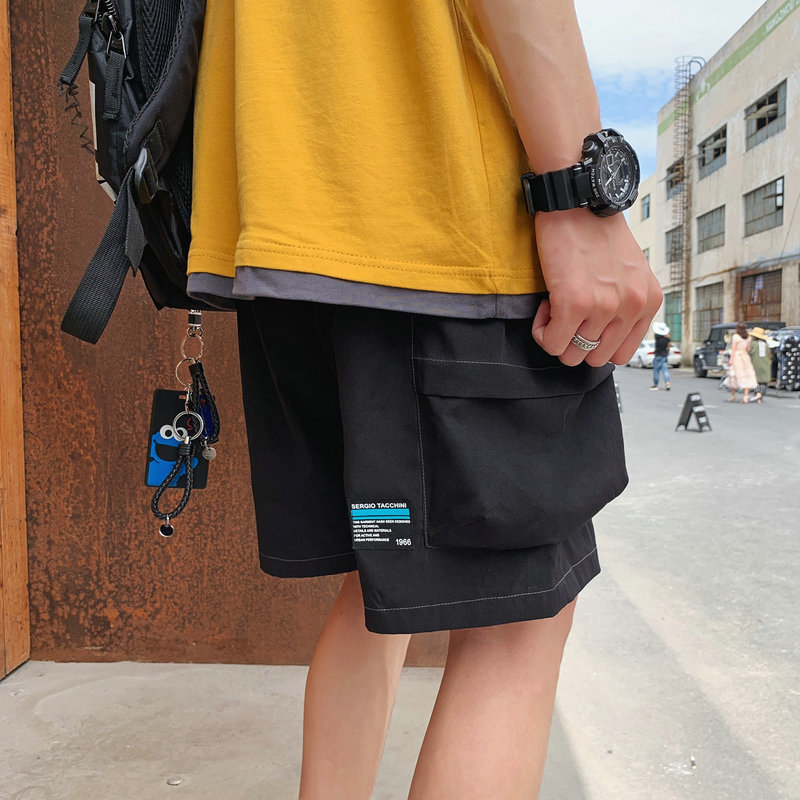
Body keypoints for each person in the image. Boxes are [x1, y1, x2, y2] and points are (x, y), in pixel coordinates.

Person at [186, 2, 662, 798]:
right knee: (519, 616)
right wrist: (578, 195)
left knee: (384, 570)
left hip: (279, 221)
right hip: (437, 224)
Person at [727, 323, 758, 404]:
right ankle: (745, 396)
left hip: (737, 357)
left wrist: (730, 359)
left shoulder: (735, 336)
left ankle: (733, 395)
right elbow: (748, 349)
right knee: (746, 375)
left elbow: (733, 348)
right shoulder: (748, 337)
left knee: (733, 375)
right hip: (745, 357)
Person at [748, 327, 772, 402]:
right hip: (765, 364)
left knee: (755, 380)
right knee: (763, 381)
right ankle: (760, 396)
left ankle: (757, 394)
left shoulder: (753, 344)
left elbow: (749, 352)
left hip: (755, 363)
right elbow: (769, 355)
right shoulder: (766, 344)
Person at [650, 321, 671, 391]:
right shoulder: (667, 339)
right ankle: (667, 383)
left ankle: (655, 385)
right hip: (664, 356)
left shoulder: (657, 337)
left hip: (657, 356)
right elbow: (668, 346)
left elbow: (656, 332)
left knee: (656, 371)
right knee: (665, 371)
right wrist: (667, 351)